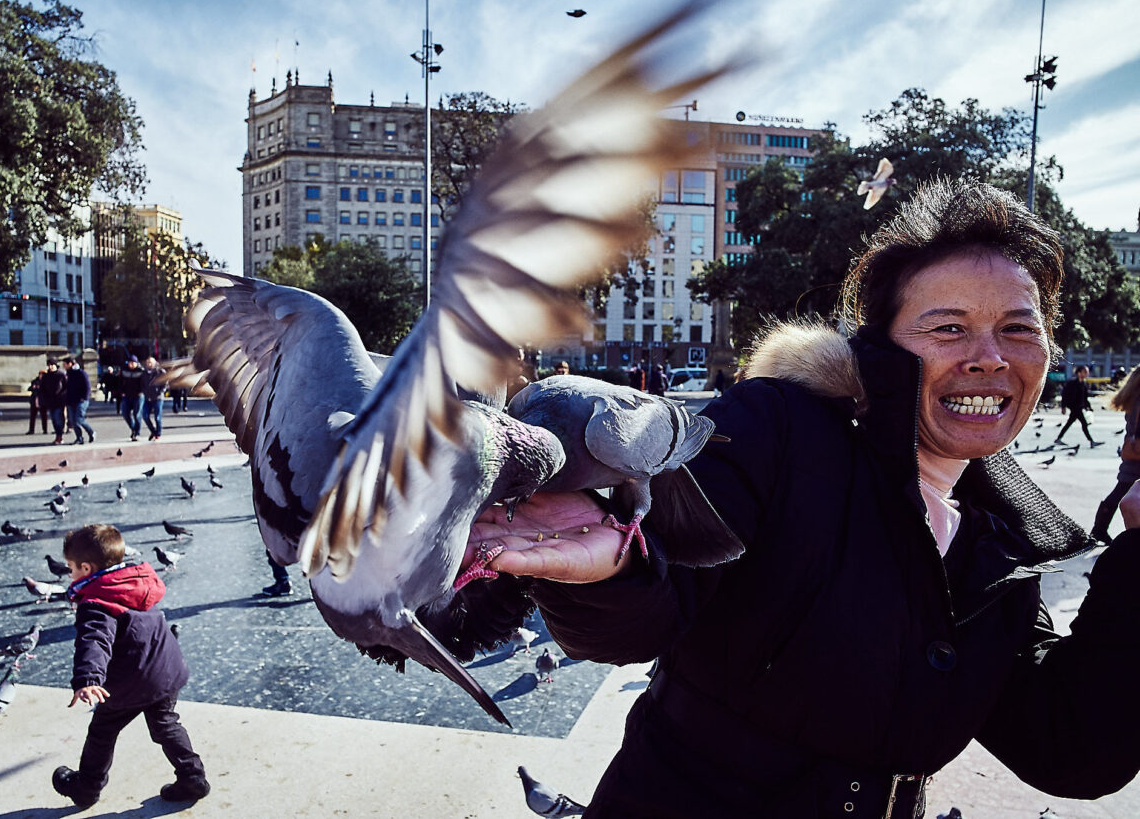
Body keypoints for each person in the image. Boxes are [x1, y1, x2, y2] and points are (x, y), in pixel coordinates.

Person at [475, 178, 1140, 817]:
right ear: (880, 346)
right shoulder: (776, 428)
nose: (989, 357)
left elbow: (1072, 750)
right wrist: (614, 571)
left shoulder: (1003, 543)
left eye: (1019, 329)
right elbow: (647, 612)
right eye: (948, 328)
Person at [52, 524, 209, 807]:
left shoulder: (96, 600)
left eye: (71, 568)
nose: (70, 573)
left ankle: (86, 788)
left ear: (86, 568)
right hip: (165, 671)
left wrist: (89, 679)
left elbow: (95, 640)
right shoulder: (135, 582)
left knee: (102, 732)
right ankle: (192, 777)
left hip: (129, 681)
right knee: (165, 725)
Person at [1091, 367, 1140, 543]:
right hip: (1137, 454)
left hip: (1132, 451)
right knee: (1121, 490)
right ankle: (1099, 530)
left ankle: (1099, 529)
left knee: (1121, 490)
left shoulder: (1132, 396)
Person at [1054, 364, 1101, 446]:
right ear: (1079, 373)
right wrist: (1063, 406)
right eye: (1085, 372)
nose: (1087, 373)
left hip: (1079, 407)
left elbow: (1085, 397)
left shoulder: (1084, 384)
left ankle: (1058, 438)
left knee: (1070, 423)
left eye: (1087, 372)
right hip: (1074, 407)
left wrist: (1088, 407)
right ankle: (1091, 441)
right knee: (1084, 424)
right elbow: (1064, 394)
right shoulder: (1072, 383)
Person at [62, 357, 95, 444]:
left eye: (64, 364)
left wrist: (84, 398)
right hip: (70, 400)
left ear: (70, 364)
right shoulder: (67, 374)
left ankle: (91, 432)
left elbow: (87, 386)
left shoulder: (81, 373)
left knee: (79, 419)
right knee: (73, 421)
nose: (63, 366)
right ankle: (79, 438)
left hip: (81, 400)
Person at [38, 358, 68, 444]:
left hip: (59, 401)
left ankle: (59, 436)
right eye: (49, 365)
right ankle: (58, 435)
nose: (50, 367)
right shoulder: (46, 376)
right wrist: (43, 399)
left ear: (56, 365)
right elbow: (42, 389)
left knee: (58, 418)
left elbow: (66, 387)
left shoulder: (61, 375)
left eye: (52, 365)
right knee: (54, 420)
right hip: (50, 402)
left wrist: (63, 396)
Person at [141, 356, 167, 441]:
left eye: (151, 362)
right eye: (147, 362)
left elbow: (165, 382)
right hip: (147, 398)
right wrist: (144, 391)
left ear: (154, 363)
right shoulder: (144, 373)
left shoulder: (160, 371)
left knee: (157, 417)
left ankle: (158, 434)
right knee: (145, 415)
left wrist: (161, 391)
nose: (149, 364)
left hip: (158, 397)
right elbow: (141, 384)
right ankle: (153, 431)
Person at [118, 356, 144, 441]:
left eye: (133, 363)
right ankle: (133, 429)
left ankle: (137, 433)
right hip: (127, 395)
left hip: (138, 395)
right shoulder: (124, 370)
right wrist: (121, 391)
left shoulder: (141, 371)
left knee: (137, 415)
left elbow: (145, 383)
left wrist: (142, 391)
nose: (131, 364)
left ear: (136, 363)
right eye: (130, 363)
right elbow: (120, 381)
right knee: (125, 413)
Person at [27, 369, 48, 435]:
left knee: (44, 416)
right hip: (34, 400)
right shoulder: (35, 381)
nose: (41, 376)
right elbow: (29, 388)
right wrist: (33, 387)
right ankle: (31, 430)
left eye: (43, 375)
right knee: (32, 416)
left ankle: (45, 429)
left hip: (42, 401)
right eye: (40, 374)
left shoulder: (46, 382)